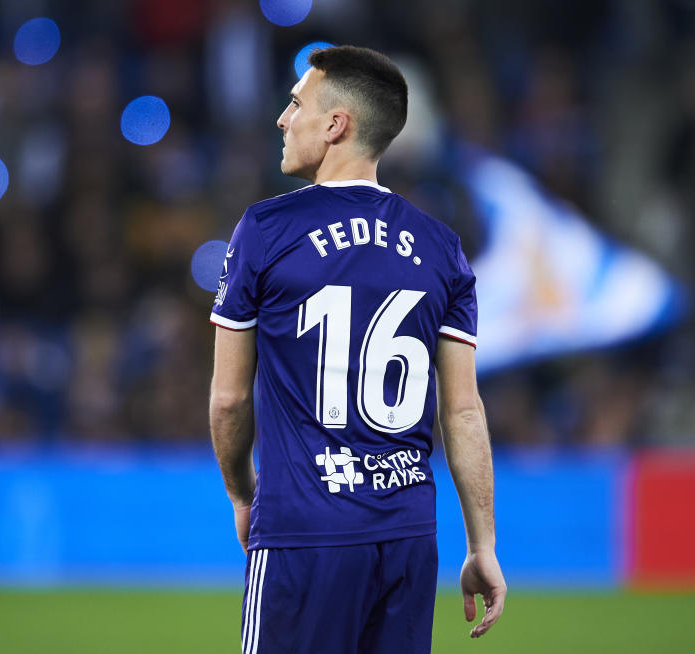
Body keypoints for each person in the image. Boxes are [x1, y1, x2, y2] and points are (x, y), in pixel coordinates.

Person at [208, 45, 506, 654]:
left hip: (301, 533)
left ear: (336, 124)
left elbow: (229, 400)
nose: (282, 120)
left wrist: (243, 495)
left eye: (295, 104)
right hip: (407, 542)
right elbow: (465, 412)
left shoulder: (265, 230)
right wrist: (482, 547)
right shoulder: (442, 249)